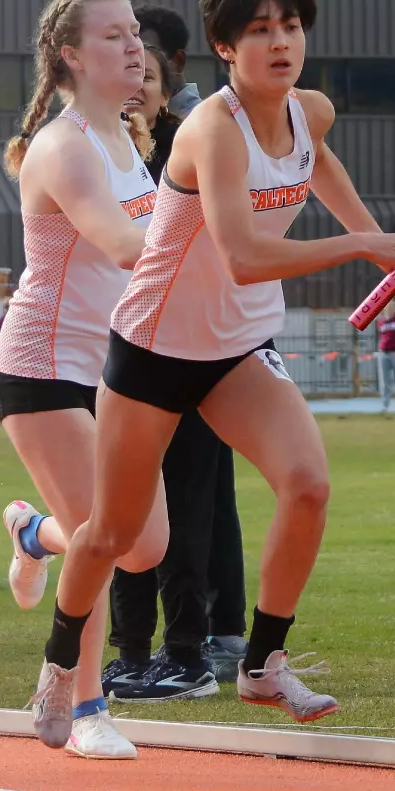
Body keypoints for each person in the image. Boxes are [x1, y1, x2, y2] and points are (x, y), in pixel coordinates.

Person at [26, 0, 395, 749]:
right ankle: (57, 668)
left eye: (290, 26)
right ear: (224, 46)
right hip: (154, 347)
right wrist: (361, 242)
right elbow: (245, 254)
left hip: (237, 348)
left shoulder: (311, 110)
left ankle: (262, 661)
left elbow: (315, 160)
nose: (281, 41)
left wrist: (387, 250)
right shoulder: (209, 130)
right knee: (112, 534)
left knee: (309, 484)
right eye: (259, 30)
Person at [0, 0, 173, 759]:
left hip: (114, 371)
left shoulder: (131, 138)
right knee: (105, 537)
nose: (135, 46)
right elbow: (125, 246)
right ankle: (87, 704)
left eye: (136, 32)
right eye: (112, 36)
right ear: (70, 56)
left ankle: (33, 533)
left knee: (146, 545)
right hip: (43, 370)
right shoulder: (62, 146)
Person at [103, 39, 249, 703]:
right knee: (122, 512)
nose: (136, 88)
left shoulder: (190, 157)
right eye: (127, 74)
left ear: (167, 94)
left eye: (149, 78)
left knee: (188, 513)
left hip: (192, 351)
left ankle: (187, 651)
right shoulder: (90, 159)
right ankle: (130, 651)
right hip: (123, 356)